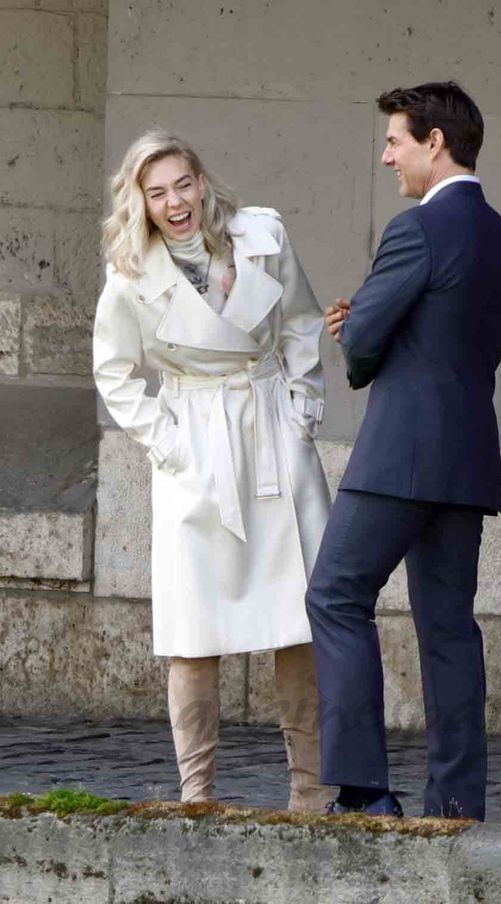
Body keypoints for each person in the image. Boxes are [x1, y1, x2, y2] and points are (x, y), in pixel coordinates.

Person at [94, 130, 332, 812]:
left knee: (299, 618)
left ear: (202, 181)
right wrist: (168, 443)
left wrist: (301, 408)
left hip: (271, 435)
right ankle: (196, 794)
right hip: (195, 445)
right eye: (157, 191)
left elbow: (302, 322)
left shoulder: (263, 236)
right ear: (140, 201)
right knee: (193, 626)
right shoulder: (132, 274)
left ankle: (310, 791)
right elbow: (113, 372)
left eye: (182, 184)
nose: (175, 203)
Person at [306, 82, 501, 821]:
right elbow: (450, 339)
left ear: (436, 142)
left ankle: (365, 792)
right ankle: (458, 802)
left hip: (400, 454)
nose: (387, 153)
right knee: (449, 627)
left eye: (397, 139)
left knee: (334, 594)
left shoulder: (416, 228)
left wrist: (357, 328)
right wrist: (370, 317)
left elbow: (366, 342)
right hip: (466, 461)